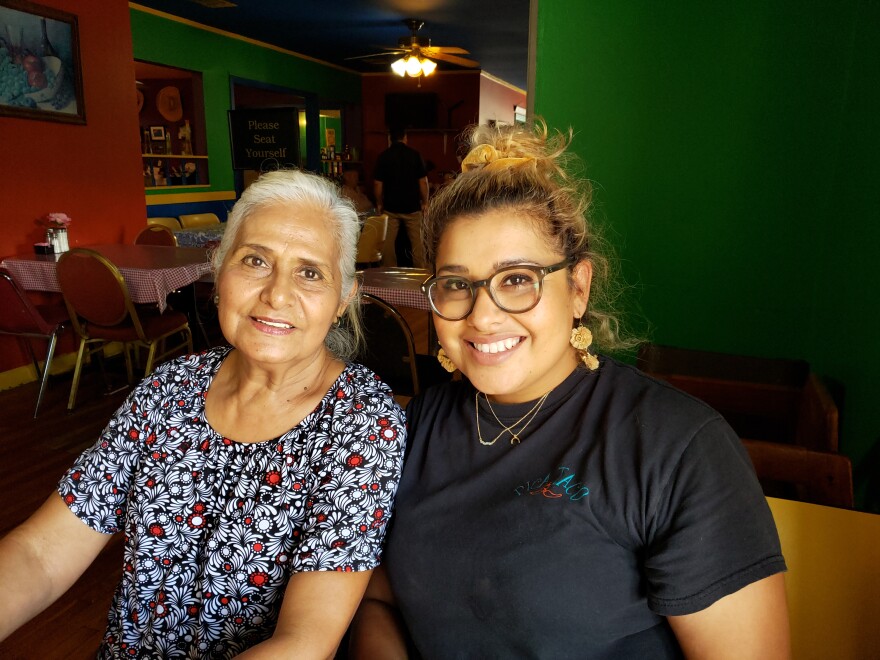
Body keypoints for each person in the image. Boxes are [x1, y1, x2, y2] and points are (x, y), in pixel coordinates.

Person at [349, 121, 790, 658]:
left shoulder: (677, 447)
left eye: (517, 279)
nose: (483, 316)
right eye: (458, 284)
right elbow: (378, 600)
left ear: (577, 287)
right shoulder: (417, 425)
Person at [0, 170, 407, 658]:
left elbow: (305, 641)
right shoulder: (168, 390)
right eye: (255, 260)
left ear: (344, 297)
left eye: (310, 272)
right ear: (219, 269)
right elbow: (41, 555)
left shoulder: (362, 423)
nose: (277, 294)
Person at [372, 126, 429, 268]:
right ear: (405, 138)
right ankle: (421, 274)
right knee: (418, 244)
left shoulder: (383, 156)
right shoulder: (415, 155)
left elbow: (378, 184)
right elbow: (423, 182)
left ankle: (389, 274)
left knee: (387, 245)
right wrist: (425, 202)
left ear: (390, 139)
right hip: (412, 208)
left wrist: (379, 203)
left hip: (391, 208)